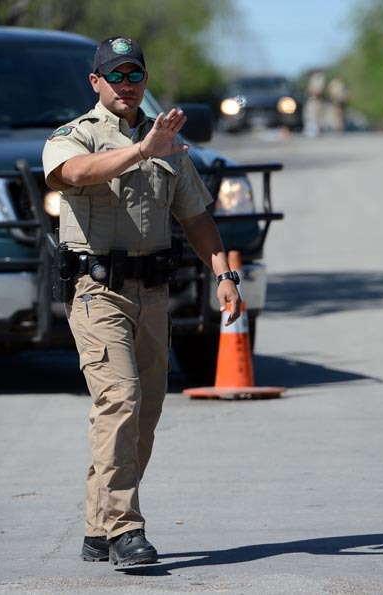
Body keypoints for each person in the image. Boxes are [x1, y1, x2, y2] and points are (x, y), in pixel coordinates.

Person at [42, 36, 242, 567]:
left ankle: (97, 525)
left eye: (135, 75)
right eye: (116, 75)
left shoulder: (168, 144)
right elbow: (75, 175)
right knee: (120, 400)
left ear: (144, 81)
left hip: (152, 295)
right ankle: (127, 529)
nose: (126, 85)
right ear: (96, 82)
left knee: (144, 415)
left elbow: (196, 216)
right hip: (97, 292)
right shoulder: (74, 136)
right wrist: (139, 151)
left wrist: (224, 275)